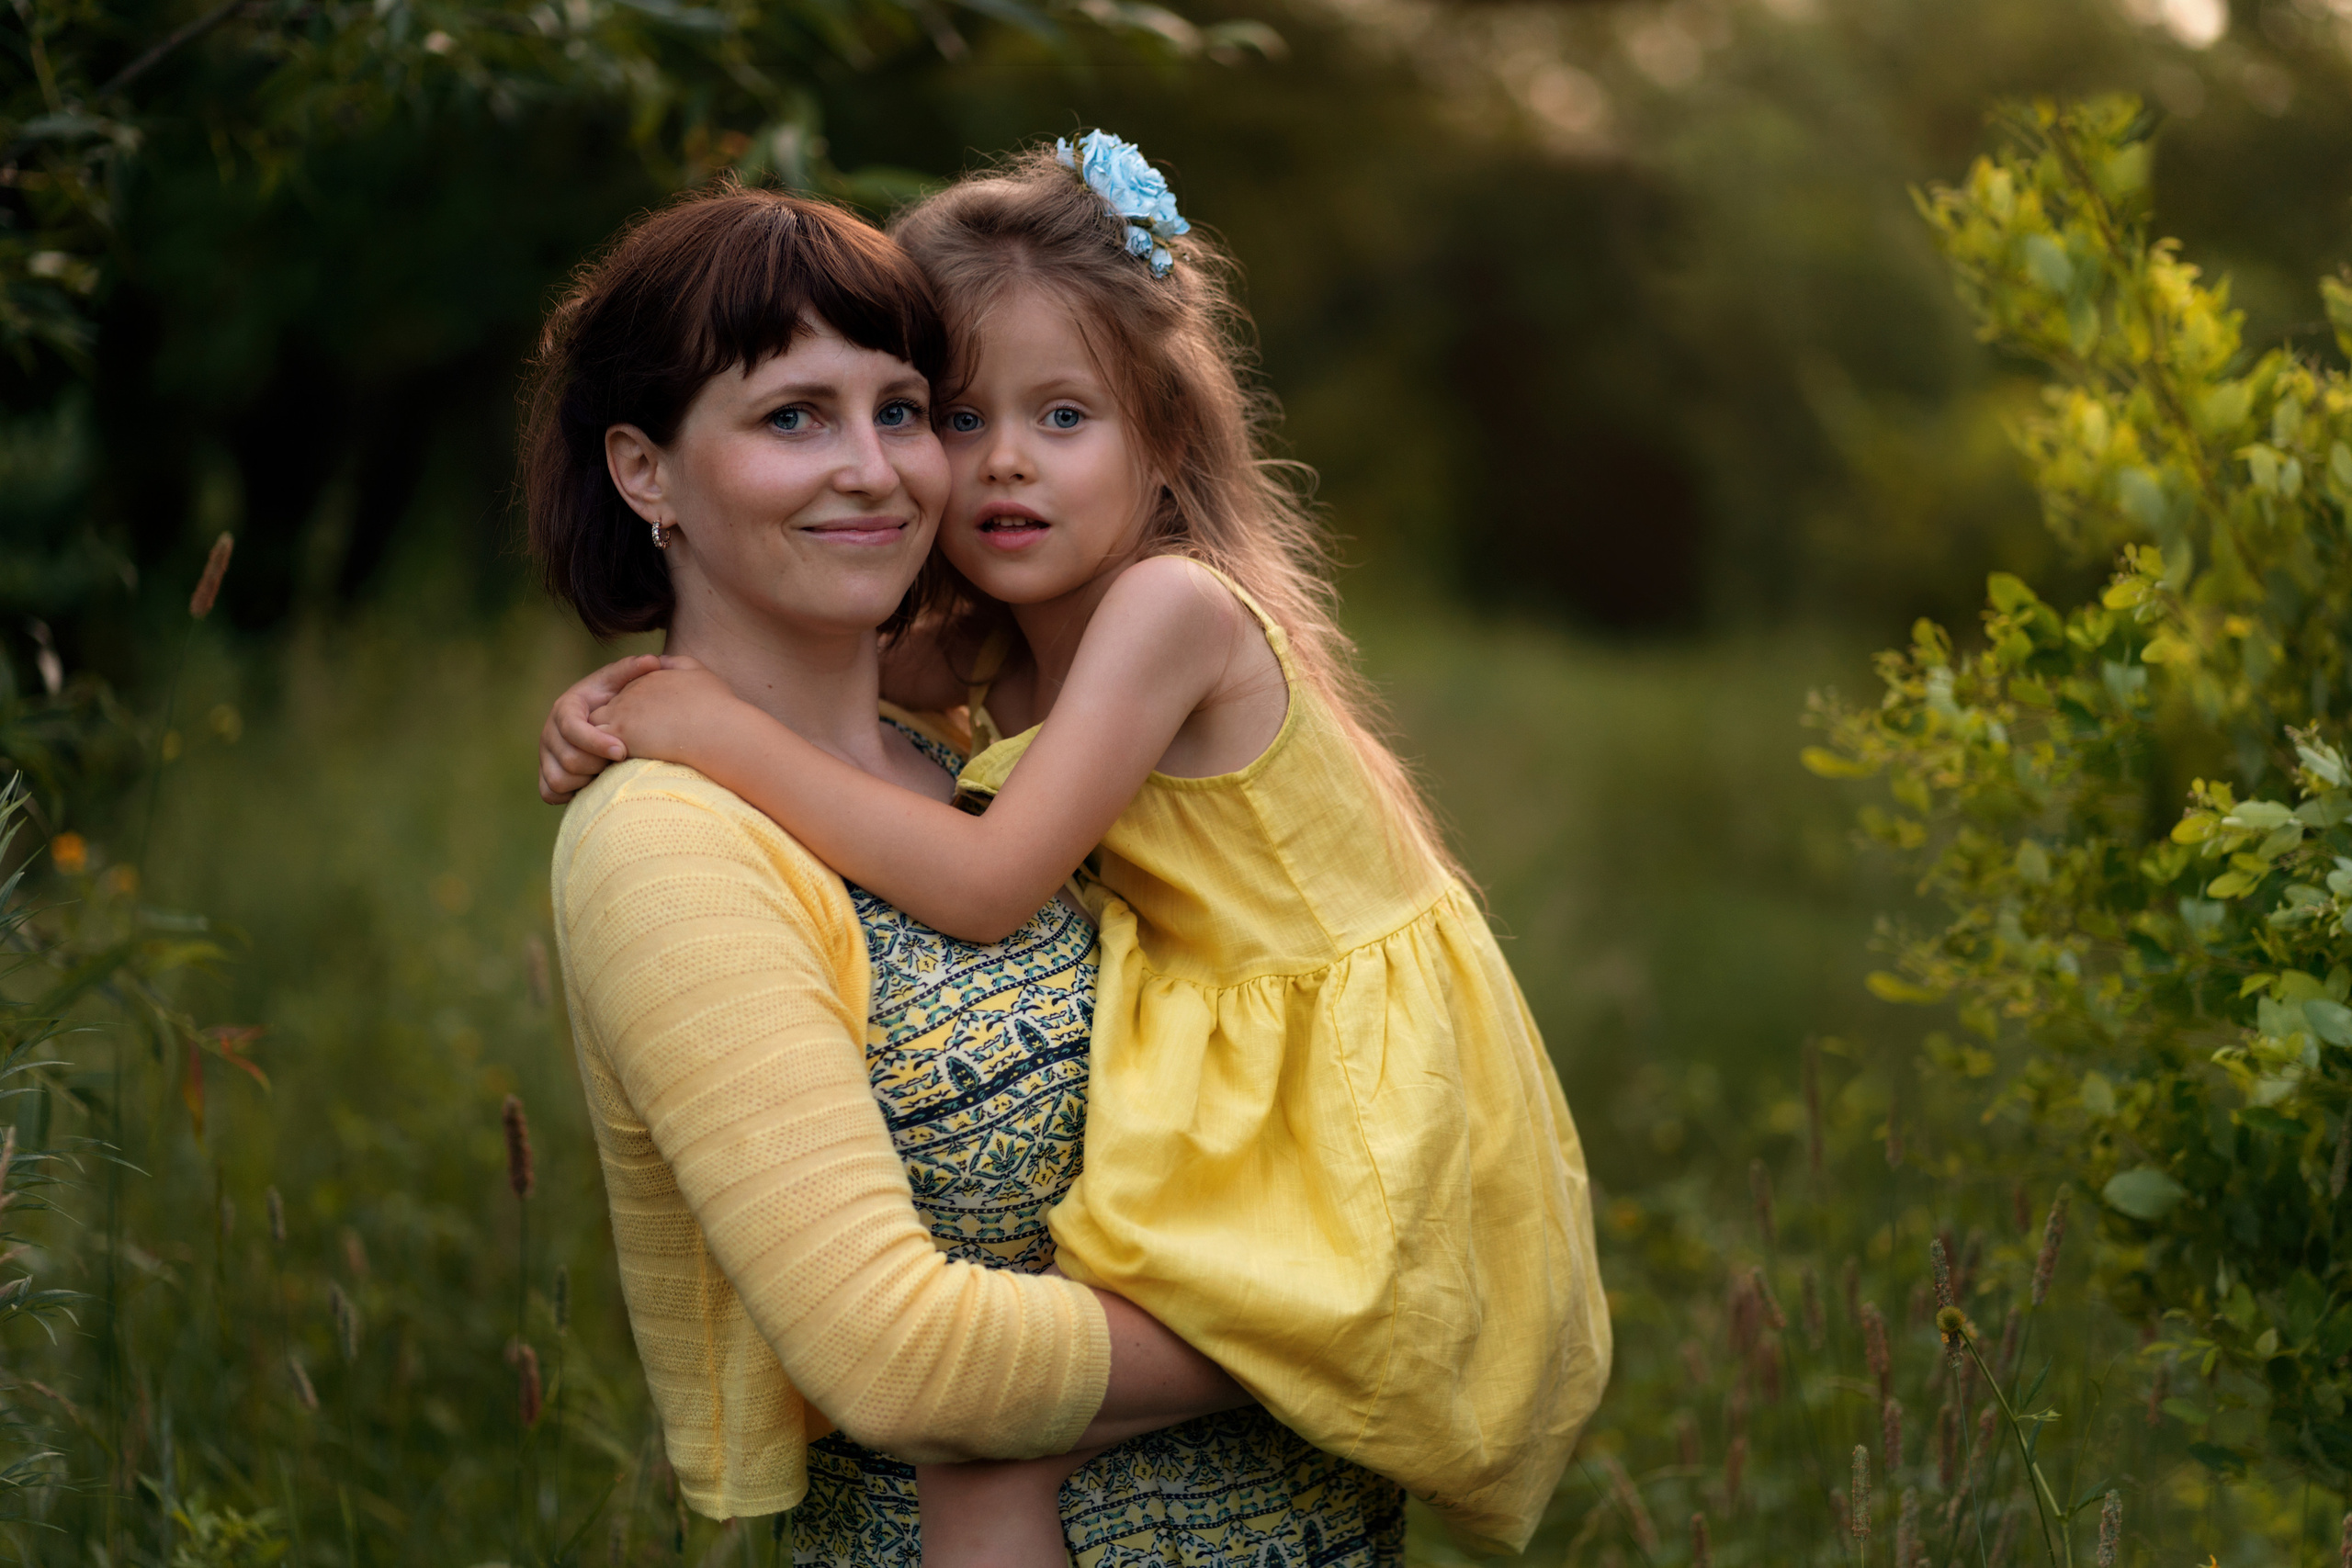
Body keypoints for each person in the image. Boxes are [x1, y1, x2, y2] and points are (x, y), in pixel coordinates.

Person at [542, 133, 1611, 1555]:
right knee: (982, 1467)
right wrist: (626, 709)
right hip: (1237, 1112)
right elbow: (804, 685)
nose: (978, 468)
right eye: (962, 416)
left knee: (991, 1471)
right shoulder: (962, 668)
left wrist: (706, 729)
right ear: (645, 470)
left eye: (1058, 418)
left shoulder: (1165, 613)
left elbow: (979, 880)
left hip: (1343, 1098)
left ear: (1161, 438)